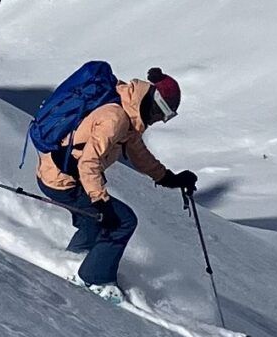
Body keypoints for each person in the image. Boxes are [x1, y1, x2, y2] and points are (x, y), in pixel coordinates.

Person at [36, 69, 197, 302]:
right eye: (159, 113)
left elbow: (139, 154)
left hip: (62, 175)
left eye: (165, 117)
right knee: (123, 221)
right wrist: (101, 202)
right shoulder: (115, 119)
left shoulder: (129, 115)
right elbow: (88, 163)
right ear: (151, 101)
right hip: (62, 180)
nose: (157, 120)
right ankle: (94, 278)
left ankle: (74, 258)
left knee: (95, 222)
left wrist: (169, 178)